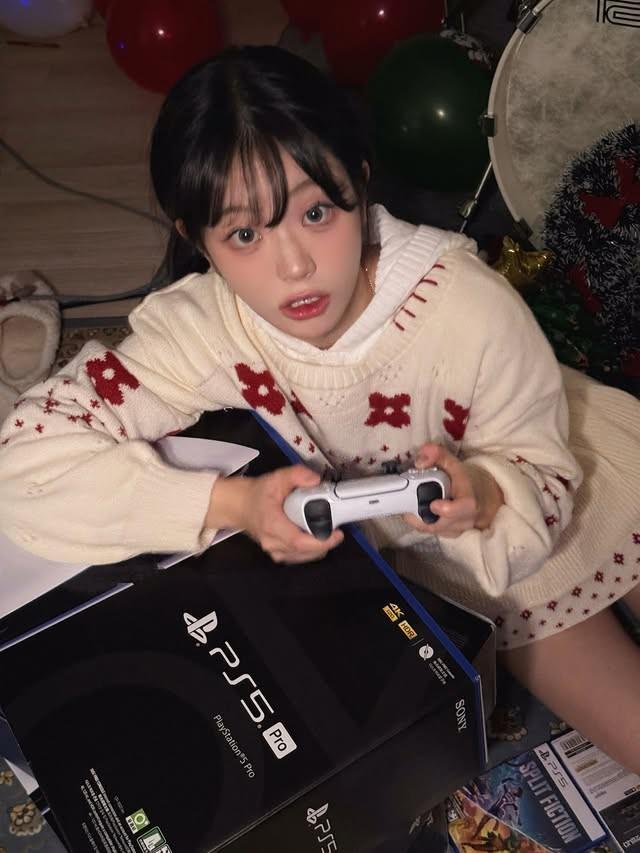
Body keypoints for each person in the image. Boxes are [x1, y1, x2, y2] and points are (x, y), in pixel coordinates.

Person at [1, 45, 639, 770]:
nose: (294, 266)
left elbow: (544, 474)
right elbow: (25, 463)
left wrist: (485, 493)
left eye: (315, 212)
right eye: (244, 234)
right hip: (422, 571)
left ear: (359, 183)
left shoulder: (469, 310)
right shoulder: (202, 328)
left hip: (546, 492)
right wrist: (233, 504)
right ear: (194, 237)